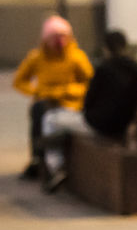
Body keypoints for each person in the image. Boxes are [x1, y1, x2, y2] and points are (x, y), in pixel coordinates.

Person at [39, 29, 137, 193]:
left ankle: (55, 168)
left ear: (106, 48)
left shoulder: (103, 69)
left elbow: (88, 102)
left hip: (97, 125)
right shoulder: (136, 70)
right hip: (122, 126)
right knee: (62, 122)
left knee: (50, 118)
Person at [12, 15, 93, 180]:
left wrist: (70, 90)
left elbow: (90, 83)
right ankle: (38, 158)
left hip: (70, 103)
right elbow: (19, 81)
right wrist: (36, 91)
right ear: (46, 39)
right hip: (46, 101)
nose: (59, 42)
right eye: (55, 38)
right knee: (39, 111)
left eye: (63, 37)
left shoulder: (76, 57)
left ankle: (45, 160)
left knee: (45, 115)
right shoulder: (37, 57)